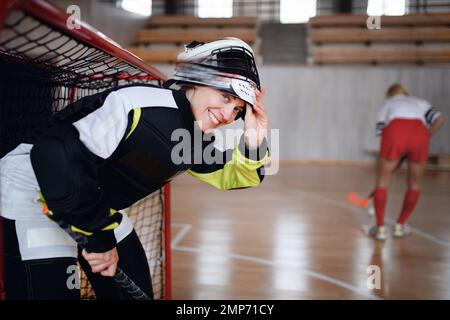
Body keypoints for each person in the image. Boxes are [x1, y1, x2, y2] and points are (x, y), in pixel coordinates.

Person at [0, 37, 269, 299]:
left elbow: (237, 176)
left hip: (89, 202)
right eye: (224, 97)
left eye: (237, 111)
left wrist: (255, 138)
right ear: (199, 80)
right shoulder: (139, 103)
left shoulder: (193, 139)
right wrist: (99, 238)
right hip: (33, 189)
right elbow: (53, 154)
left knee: (135, 283)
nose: (227, 116)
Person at [369, 83, 444, 240]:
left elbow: (381, 130)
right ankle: (400, 226)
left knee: (382, 182)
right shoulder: (421, 102)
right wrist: (426, 136)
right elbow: (440, 120)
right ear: (405, 93)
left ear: (390, 95)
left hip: (395, 132)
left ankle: (380, 229)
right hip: (420, 134)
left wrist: (394, 155)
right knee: (414, 184)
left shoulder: (388, 103)